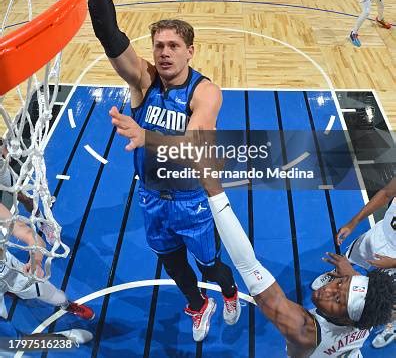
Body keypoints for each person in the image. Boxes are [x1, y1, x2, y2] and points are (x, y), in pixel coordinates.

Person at [58, 0, 240, 342]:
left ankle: (227, 293)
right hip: (152, 197)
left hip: (192, 198)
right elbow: (109, 36)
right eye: (159, 45)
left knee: (210, 264)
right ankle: (198, 305)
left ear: (190, 50)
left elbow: (196, 146)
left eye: (174, 45)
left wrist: (146, 137)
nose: (164, 52)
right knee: (173, 264)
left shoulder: (205, 91)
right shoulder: (143, 81)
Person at [105, 125, 395, 358]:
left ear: (347, 320)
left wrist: (214, 191)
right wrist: (353, 277)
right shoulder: (368, 313)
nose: (330, 289)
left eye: (338, 299)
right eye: (340, 285)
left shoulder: (303, 330)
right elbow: (370, 298)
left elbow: (248, 264)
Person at [311, 177, 396, 350]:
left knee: (390, 299)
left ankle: (391, 324)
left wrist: (394, 262)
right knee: (348, 259)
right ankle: (337, 278)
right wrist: (354, 222)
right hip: (379, 235)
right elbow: (387, 193)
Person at [0, 201, 94, 323]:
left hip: (9, 269)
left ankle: (66, 305)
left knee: (56, 296)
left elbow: (31, 236)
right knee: (8, 328)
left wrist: (36, 262)